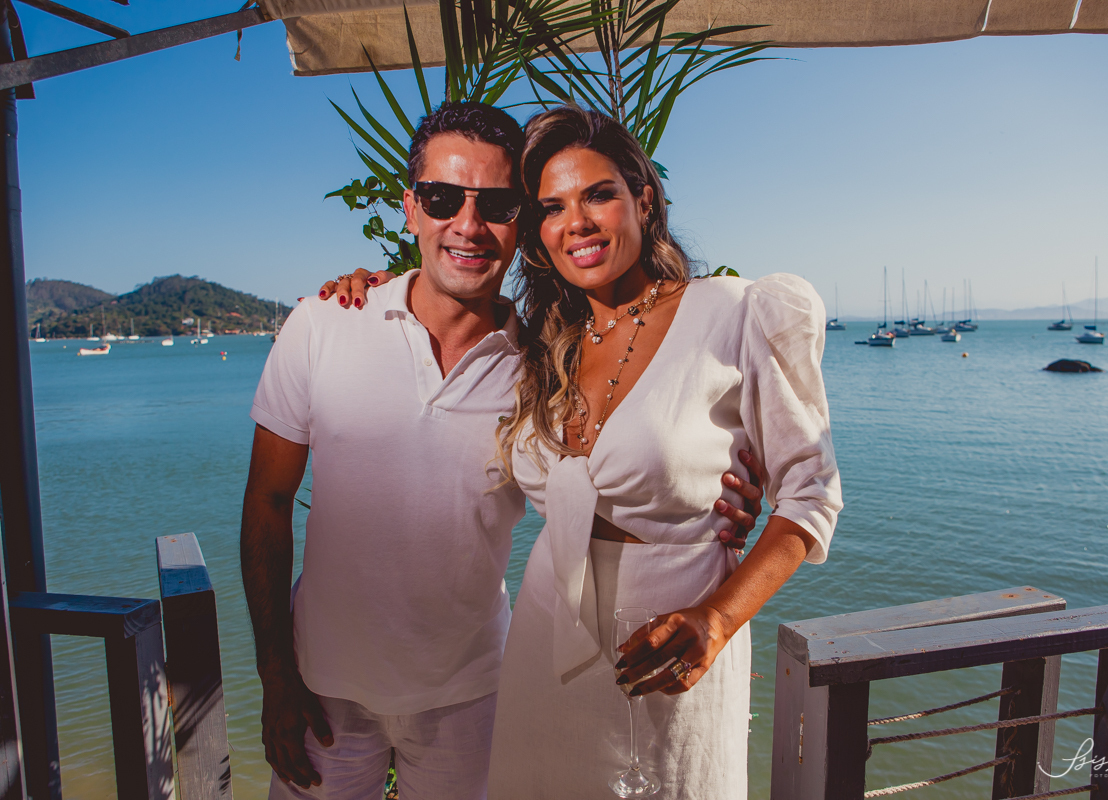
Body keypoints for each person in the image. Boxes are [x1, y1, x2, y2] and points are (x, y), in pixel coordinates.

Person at [242, 101, 765, 800]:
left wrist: (714, 505)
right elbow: (267, 501)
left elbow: (619, 480)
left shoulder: (547, 363)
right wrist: (275, 674)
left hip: (477, 698)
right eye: (442, 198)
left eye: (496, 204)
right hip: (320, 688)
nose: (468, 224)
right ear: (410, 208)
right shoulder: (324, 325)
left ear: (523, 224)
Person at [483, 106, 842, 798]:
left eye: (598, 194)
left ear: (644, 200)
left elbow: (810, 496)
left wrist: (719, 618)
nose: (576, 222)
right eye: (553, 208)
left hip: (674, 647)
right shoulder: (539, 346)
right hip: (543, 638)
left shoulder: (733, 312)